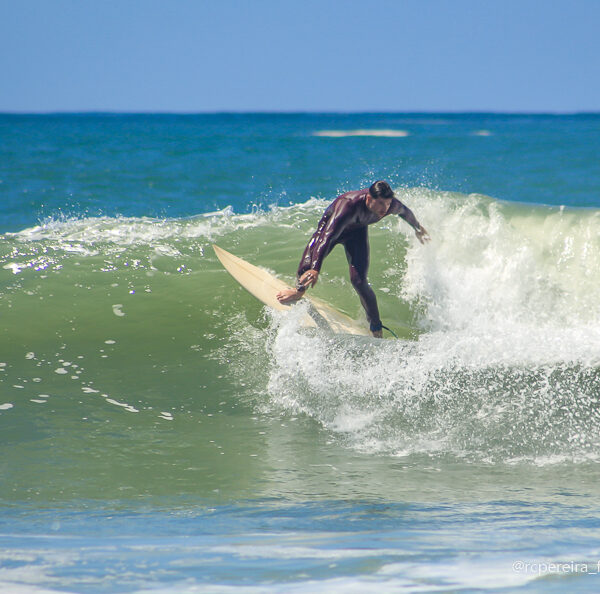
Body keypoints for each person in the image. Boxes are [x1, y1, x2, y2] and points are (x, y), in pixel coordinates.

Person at [276, 180, 429, 337]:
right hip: (330, 231)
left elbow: (405, 212)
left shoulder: (390, 206)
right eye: (381, 203)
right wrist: (315, 268)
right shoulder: (347, 206)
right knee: (307, 267)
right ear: (369, 199)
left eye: (388, 204)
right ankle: (298, 291)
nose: (385, 209)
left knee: (359, 281)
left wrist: (417, 228)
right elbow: (326, 238)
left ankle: (376, 328)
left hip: (356, 233)